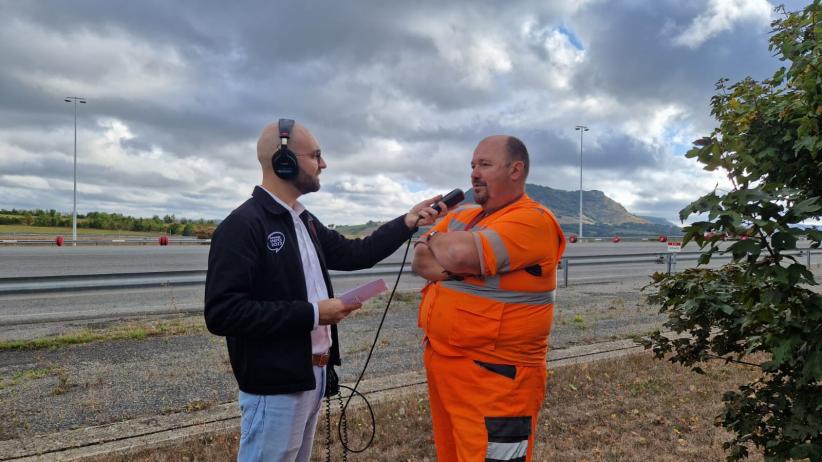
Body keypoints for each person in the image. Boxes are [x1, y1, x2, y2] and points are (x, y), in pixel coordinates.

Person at [204, 118, 445, 462]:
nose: (324, 164)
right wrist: (315, 313)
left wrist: (408, 222)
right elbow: (223, 313)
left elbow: (355, 252)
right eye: (316, 155)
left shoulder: (303, 220)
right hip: (275, 387)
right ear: (283, 161)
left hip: (312, 375)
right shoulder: (242, 225)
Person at [412, 135, 566, 462]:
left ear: (515, 170)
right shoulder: (466, 217)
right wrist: (453, 260)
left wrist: (438, 239)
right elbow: (420, 260)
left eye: (484, 164)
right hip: (447, 367)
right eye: (472, 165)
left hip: (497, 380)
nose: (474, 173)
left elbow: (452, 251)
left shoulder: (533, 220)